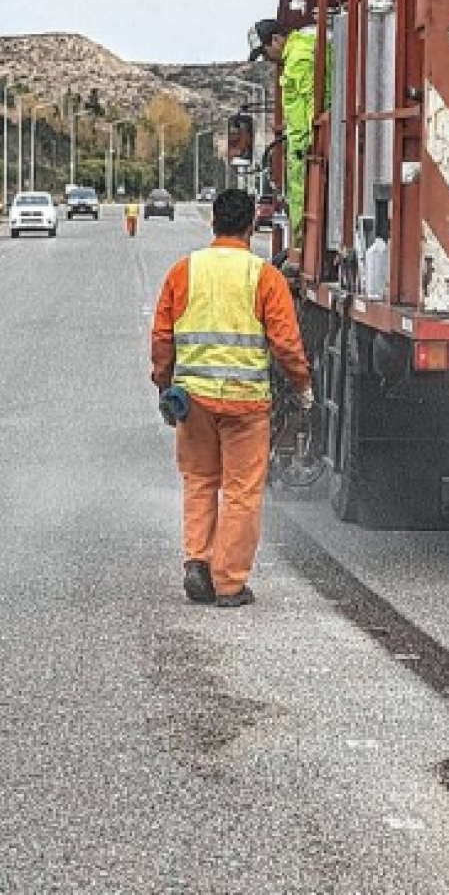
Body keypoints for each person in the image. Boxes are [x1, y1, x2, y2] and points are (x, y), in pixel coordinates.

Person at [149, 188, 313, 607]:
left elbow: (163, 339)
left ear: (213, 223)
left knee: (200, 481)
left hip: (194, 400)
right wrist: (301, 386)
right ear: (249, 226)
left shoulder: (184, 272)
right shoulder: (264, 277)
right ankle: (229, 583)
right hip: (247, 405)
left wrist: (165, 386)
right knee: (241, 492)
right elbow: (286, 343)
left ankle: (196, 562)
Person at [249, 17, 329, 241]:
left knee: (303, 200)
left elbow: (312, 99)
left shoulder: (299, 57)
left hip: (305, 147)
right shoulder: (299, 53)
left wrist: (308, 142)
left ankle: (302, 245)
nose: (268, 59)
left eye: (265, 53)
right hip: (303, 143)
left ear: (276, 40)